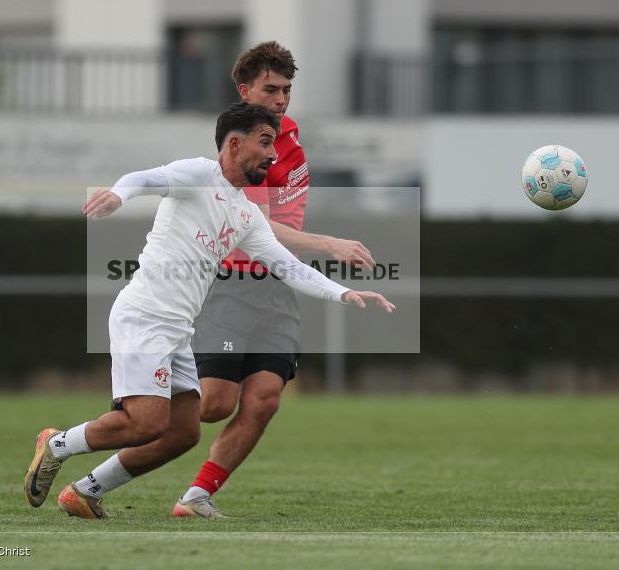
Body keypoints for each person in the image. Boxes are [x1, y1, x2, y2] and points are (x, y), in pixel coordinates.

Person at [24, 102, 394, 520]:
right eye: (265, 142)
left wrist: (343, 293)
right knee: (145, 423)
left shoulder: (245, 213)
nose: (273, 155)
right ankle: (56, 443)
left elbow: (286, 266)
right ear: (234, 145)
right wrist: (117, 195)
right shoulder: (200, 174)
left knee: (183, 433)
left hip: (179, 331)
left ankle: (87, 492)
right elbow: (142, 178)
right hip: (144, 317)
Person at [172, 42, 376, 519]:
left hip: (277, 284)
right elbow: (258, 225)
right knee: (213, 405)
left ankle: (196, 497)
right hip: (234, 282)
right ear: (244, 91)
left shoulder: (290, 133)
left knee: (264, 400)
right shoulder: (247, 148)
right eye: (271, 89)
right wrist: (330, 245)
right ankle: (112, 430)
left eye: (287, 89)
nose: (282, 99)